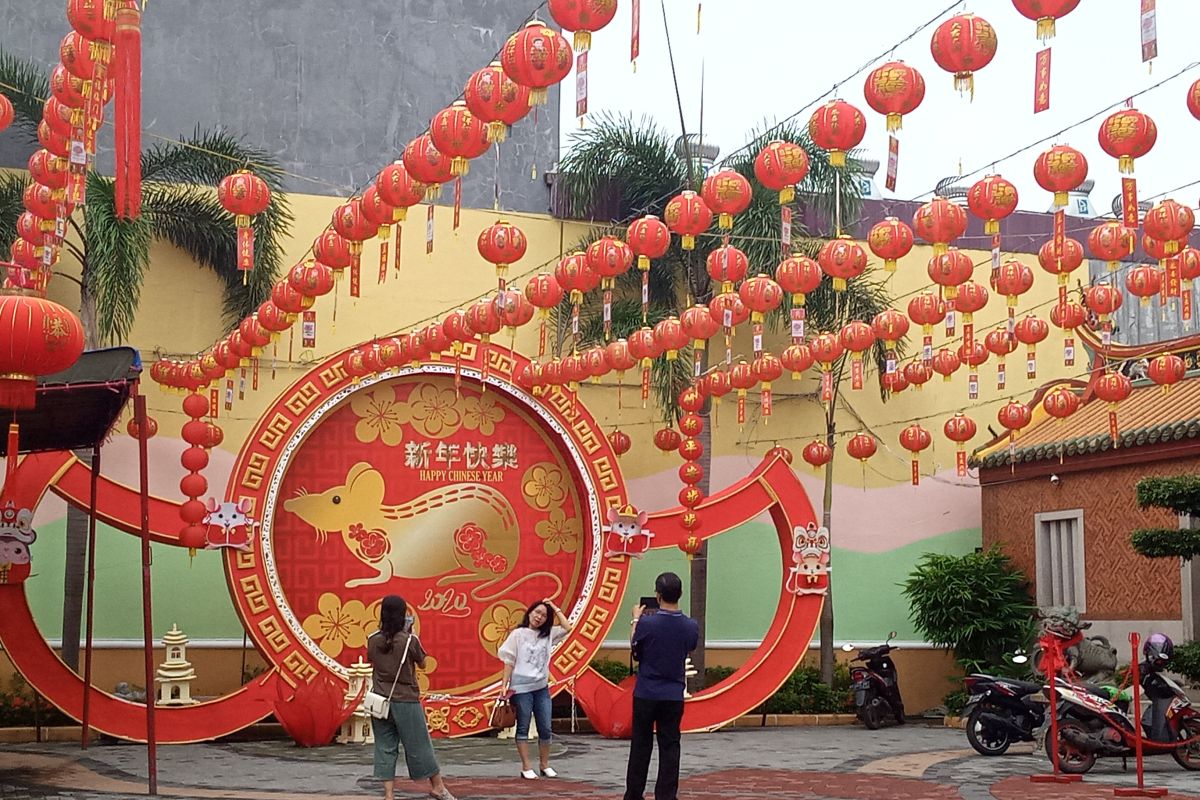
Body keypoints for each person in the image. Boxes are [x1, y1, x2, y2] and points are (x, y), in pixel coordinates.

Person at [366, 595, 455, 800]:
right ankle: (438, 787)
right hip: (406, 700)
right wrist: (412, 635)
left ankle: (389, 795)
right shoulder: (409, 640)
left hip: (380, 700)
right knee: (419, 745)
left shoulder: (372, 638)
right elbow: (423, 664)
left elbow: (374, 661)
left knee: (384, 747)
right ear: (402, 615)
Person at [623, 572, 699, 800]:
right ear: (681, 594)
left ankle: (634, 794)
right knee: (670, 746)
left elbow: (635, 650)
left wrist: (636, 618)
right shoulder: (690, 625)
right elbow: (689, 647)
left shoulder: (647, 622)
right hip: (673, 694)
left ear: (657, 595)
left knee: (641, 745)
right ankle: (666, 795)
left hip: (647, 692)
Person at [498, 598, 573, 779]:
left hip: (541, 687)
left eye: (544, 615)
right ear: (529, 612)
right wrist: (504, 685)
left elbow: (567, 628)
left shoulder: (548, 634)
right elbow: (509, 661)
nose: (539, 617)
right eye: (536, 612)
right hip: (521, 688)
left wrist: (555, 608)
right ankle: (526, 766)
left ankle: (544, 764)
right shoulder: (518, 634)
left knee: (545, 727)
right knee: (523, 726)